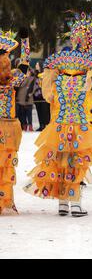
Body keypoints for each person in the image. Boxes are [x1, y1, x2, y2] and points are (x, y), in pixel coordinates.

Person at [24, 12, 92, 217]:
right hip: (80, 127)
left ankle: (63, 203)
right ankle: (74, 203)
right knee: (76, 163)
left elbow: (48, 94)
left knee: (59, 160)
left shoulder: (59, 79)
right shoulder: (89, 75)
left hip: (59, 127)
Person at [0, 29, 26, 214]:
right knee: (7, 164)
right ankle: (6, 199)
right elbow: (25, 64)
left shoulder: (13, 81)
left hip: (8, 126)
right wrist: (25, 41)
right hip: (9, 126)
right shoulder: (13, 80)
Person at [33, 62, 51, 132]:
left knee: (45, 112)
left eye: (38, 65)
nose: (37, 66)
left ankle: (46, 125)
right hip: (37, 96)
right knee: (39, 112)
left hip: (44, 97)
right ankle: (41, 125)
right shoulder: (36, 75)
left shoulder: (47, 75)